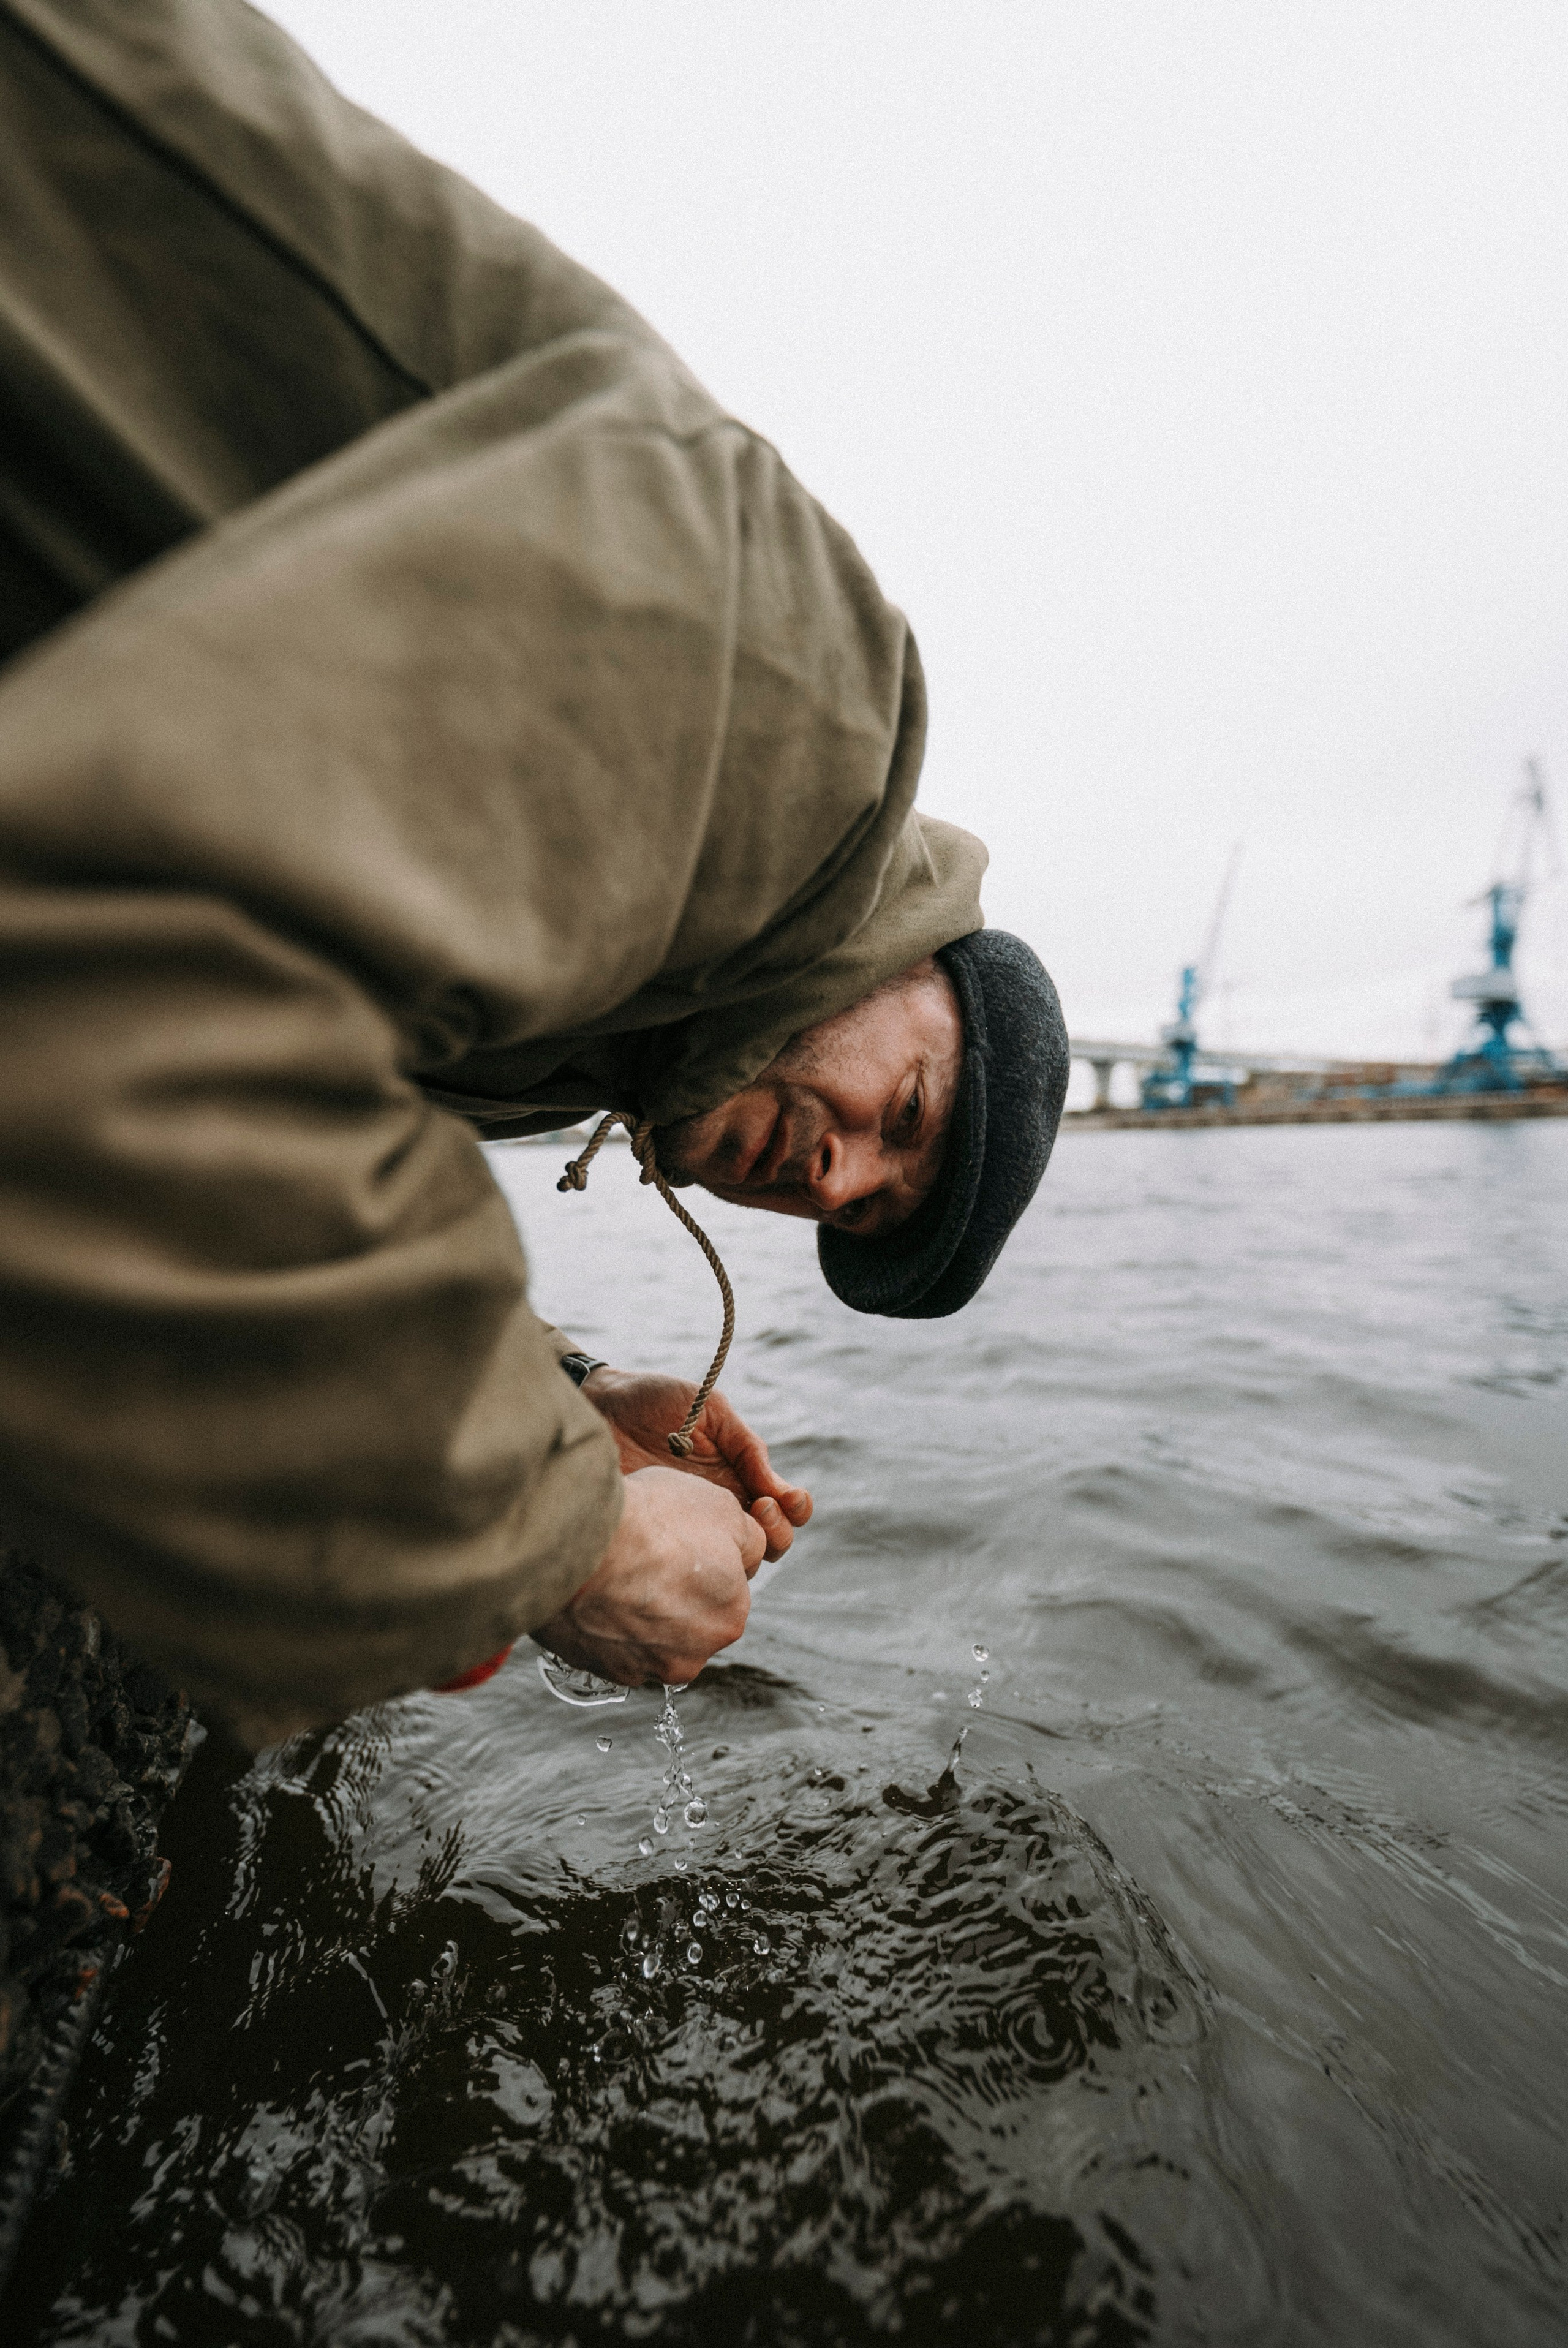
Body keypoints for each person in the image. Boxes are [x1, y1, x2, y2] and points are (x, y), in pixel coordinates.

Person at [0, 0, 1068, 1748]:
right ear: (923, 962)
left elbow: (260, 1115)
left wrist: (565, 1392)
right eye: (908, 1113)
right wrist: (565, 1539)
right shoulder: (791, 718)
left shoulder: (597, 1020)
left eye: (855, 1211)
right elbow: (118, 994)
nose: (832, 1171)